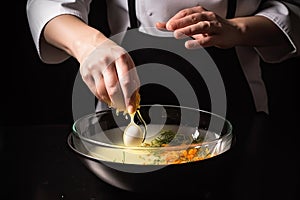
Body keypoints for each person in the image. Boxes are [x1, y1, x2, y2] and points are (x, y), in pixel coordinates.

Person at [26, 1, 300, 199]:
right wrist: (89, 44)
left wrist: (237, 28)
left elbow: (292, 10)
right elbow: (47, 5)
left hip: (239, 111)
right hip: (120, 112)